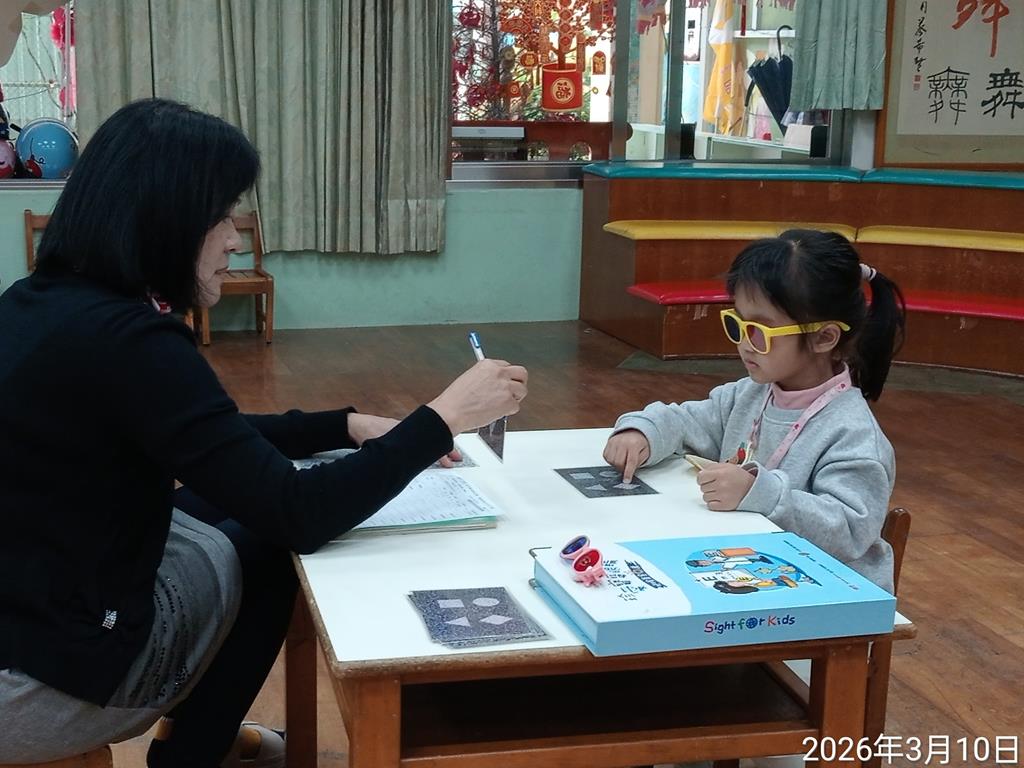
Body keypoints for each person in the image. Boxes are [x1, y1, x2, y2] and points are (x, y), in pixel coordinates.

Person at [0, 99, 528, 768]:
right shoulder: (134, 341)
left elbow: (203, 439)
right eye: (222, 216)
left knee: (223, 502)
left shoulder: (38, 301)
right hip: (47, 688)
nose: (235, 239)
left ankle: (206, 741)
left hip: (28, 621)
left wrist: (341, 426)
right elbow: (297, 514)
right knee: (272, 543)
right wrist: (443, 417)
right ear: (167, 218)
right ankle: (194, 754)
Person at [603, 230, 906, 592]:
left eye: (760, 331)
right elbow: (687, 422)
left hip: (827, 595)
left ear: (824, 337)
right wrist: (643, 431)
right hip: (751, 574)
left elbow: (849, 532)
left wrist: (760, 493)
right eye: (737, 324)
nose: (745, 344)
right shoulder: (750, 394)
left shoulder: (853, 434)